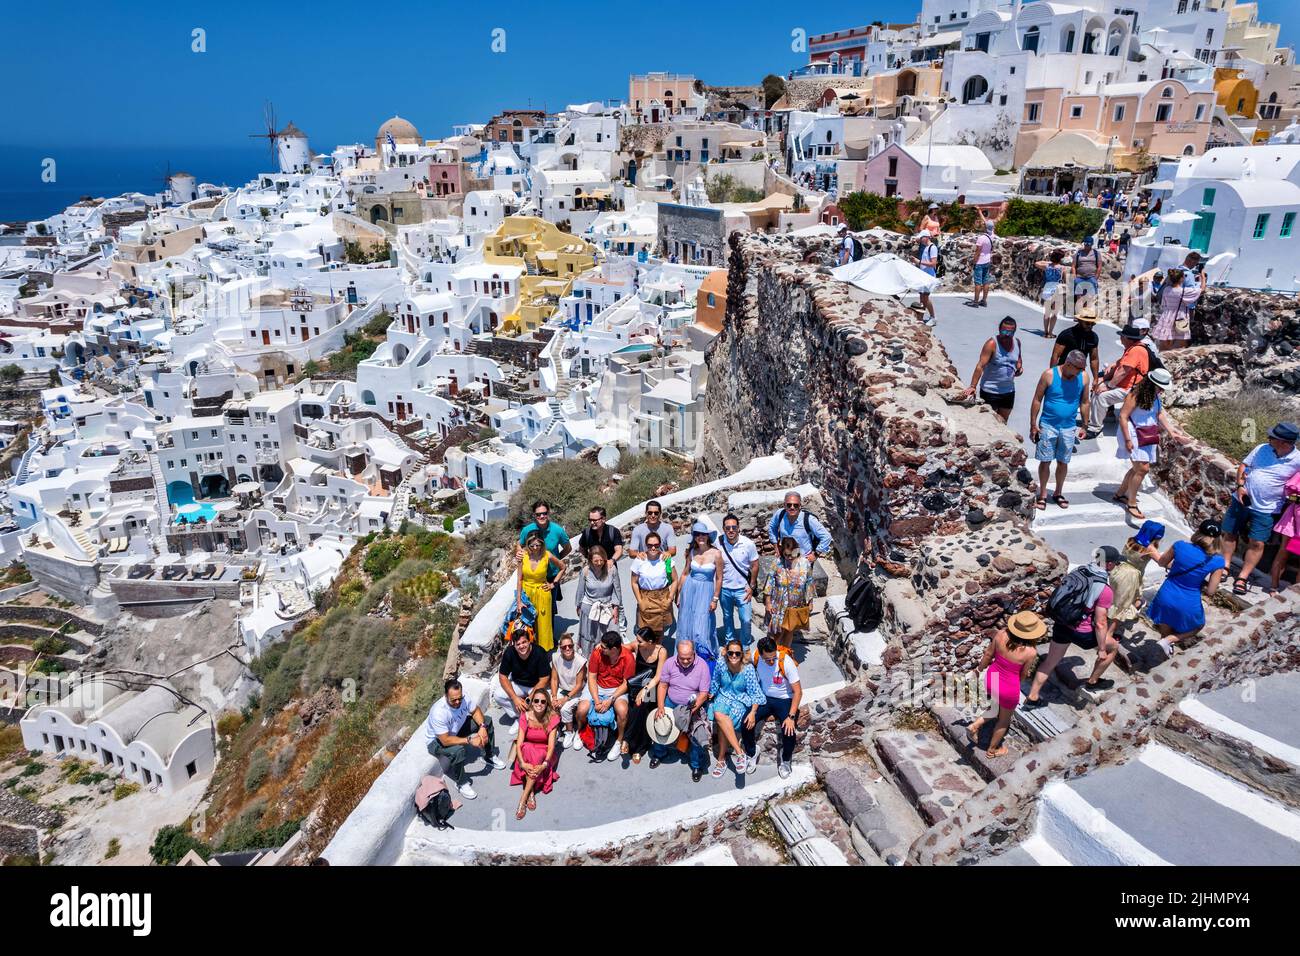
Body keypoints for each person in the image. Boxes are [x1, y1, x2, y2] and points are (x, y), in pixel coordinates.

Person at [1025, 547, 1122, 705]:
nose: (1116, 566)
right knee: (1114, 647)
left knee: (1050, 661)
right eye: (1116, 563)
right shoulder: (1104, 589)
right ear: (1109, 564)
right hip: (1081, 632)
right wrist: (1102, 649)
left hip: (1062, 624)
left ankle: (1033, 696)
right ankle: (1092, 682)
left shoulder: (1079, 570)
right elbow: (1100, 622)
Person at [1221, 422, 1300, 594]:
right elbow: (1244, 466)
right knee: (1230, 532)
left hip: (1268, 508)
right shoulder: (1262, 449)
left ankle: (1242, 577)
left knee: (1257, 542)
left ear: (1284, 443)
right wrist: (1240, 485)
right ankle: (1225, 566)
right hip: (1242, 499)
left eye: (1272, 437)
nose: (1268, 438)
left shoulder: (1297, 460)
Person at [965, 611, 1045, 758]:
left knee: (995, 708)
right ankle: (993, 750)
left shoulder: (1001, 634)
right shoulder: (1031, 652)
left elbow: (988, 655)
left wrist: (978, 670)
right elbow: (1023, 674)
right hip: (1008, 687)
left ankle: (975, 725)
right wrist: (1015, 686)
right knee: (1003, 720)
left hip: (991, 678)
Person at [1147, 520, 1228, 655]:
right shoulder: (1218, 561)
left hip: (1166, 594)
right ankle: (1169, 641)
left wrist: (1152, 550)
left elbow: (1162, 563)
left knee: (1165, 621)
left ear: (1198, 532)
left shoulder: (1179, 546)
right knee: (1198, 625)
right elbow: (1211, 591)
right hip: (1188, 599)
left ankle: (1165, 643)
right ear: (1218, 538)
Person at [1115, 368, 1180, 521]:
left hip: (1146, 434)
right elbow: (1123, 417)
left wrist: (1171, 431)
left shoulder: (1155, 396)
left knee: (1137, 468)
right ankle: (1131, 503)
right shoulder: (1135, 395)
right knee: (1143, 468)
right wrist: (1128, 440)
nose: (1163, 390)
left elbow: (1159, 414)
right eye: (1161, 387)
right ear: (1152, 384)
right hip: (1132, 433)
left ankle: (1120, 494)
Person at [1029, 349, 1090, 511]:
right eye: (1079, 368)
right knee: (1045, 460)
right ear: (1069, 364)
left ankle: (1058, 492)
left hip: (1069, 427)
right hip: (1048, 425)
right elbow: (1037, 399)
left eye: (1083, 368)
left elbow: (1085, 402)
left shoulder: (1083, 377)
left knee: (1063, 462)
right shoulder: (1049, 375)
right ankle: (1042, 494)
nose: (1082, 371)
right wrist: (1033, 424)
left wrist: (1084, 425)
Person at [426, 678, 505, 801]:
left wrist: (482, 727)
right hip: (437, 741)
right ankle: (461, 783)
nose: (458, 702)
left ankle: (488, 756)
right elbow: (445, 740)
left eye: (459, 698)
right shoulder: (439, 712)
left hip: (457, 729)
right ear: (445, 696)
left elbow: (476, 710)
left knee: (487, 721)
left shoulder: (463, 698)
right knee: (458, 751)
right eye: (453, 700)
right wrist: (469, 740)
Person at [741, 635, 803, 778]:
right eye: (767, 659)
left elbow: (798, 692)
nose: (770, 662)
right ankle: (751, 752)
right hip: (764, 698)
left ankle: (786, 759)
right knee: (746, 723)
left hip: (784, 699)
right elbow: (741, 660)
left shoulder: (785, 662)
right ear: (760, 654)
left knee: (789, 732)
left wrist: (791, 717)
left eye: (773, 658)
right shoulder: (757, 656)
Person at [652, 639, 713, 781]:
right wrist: (660, 706)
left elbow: (704, 693)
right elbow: (663, 685)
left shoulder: (702, 666)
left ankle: (696, 764)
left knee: (697, 733)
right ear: (677, 654)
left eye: (688, 658)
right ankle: (659, 753)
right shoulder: (669, 663)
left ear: (694, 653)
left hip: (692, 706)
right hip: (671, 702)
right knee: (661, 724)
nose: (685, 661)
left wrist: (690, 711)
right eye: (682, 658)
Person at [707, 639, 764, 777]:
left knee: (723, 719)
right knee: (719, 713)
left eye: (737, 654)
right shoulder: (721, 663)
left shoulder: (748, 669)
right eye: (730, 653)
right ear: (726, 653)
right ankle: (740, 753)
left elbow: (756, 693)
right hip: (723, 695)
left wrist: (753, 712)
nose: (733, 656)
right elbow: (715, 681)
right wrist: (711, 693)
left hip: (740, 700)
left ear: (742, 655)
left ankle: (721, 760)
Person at [577, 630, 633, 760]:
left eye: (603, 647)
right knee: (581, 710)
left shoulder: (628, 657)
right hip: (598, 685)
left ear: (613, 649)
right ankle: (581, 731)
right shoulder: (597, 653)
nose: (599, 648)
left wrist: (611, 699)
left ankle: (618, 740)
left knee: (623, 711)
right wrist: (596, 701)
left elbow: (626, 683)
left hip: (617, 689)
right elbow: (591, 677)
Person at [1087, 324, 1150, 437]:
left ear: (1128, 339)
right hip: (1125, 386)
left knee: (1101, 395)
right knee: (1098, 386)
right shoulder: (1132, 348)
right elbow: (1118, 366)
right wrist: (1103, 379)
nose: (1120, 338)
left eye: (1122, 336)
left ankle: (1095, 429)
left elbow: (1123, 372)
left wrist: (1109, 386)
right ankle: (1106, 416)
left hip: (1132, 389)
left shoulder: (1136, 350)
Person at [676, 520, 724, 663]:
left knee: (701, 627)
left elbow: (719, 578)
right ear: (694, 537)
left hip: (706, 591)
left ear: (708, 536)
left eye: (703, 534)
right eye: (697, 534)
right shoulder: (692, 552)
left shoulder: (716, 554)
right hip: (689, 589)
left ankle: (703, 661)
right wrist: (678, 594)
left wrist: (715, 599)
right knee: (686, 623)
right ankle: (685, 658)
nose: (700, 537)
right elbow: (685, 573)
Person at [960, 316, 1023, 424]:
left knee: (1003, 421)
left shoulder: (1017, 342)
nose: (1006, 335)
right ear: (999, 330)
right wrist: (973, 386)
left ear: (1014, 332)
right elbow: (980, 366)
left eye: (1010, 332)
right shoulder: (992, 344)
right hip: (990, 391)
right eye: (1004, 331)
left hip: (1009, 391)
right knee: (990, 422)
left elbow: (1018, 358)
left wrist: (1019, 367)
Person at [510, 688, 560, 820]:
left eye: (543, 701)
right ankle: (530, 792)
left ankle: (523, 798)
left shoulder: (552, 718)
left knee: (536, 755)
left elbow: (551, 747)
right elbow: (520, 743)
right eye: (536, 700)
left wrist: (544, 765)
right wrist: (522, 763)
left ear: (547, 704)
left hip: (544, 754)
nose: (539, 704)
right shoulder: (525, 716)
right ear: (532, 702)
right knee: (527, 749)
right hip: (526, 751)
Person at [517, 499, 571, 617]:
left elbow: (568, 548)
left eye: (544, 513)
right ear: (534, 515)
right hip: (532, 577)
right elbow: (519, 544)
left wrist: (555, 559)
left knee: (549, 609)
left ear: (548, 513)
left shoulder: (557, 530)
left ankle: (550, 634)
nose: (542, 516)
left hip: (550, 576)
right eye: (538, 514)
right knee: (531, 609)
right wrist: (519, 553)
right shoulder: (527, 530)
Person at [621, 626, 667, 763]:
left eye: (640, 641)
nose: (637, 643)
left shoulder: (661, 652)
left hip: (652, 685)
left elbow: (658, 676)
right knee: (637, 708)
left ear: (651, 641)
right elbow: (622, 647)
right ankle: (637, 748)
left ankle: (629, 742)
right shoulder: (637, 646)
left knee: (641, 705)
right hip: (638, 683)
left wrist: (645, 690)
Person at [767, 492, 833, 588]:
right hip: (785, 558)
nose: (792, 507)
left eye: (795, 505)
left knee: (800, 589)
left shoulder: (808, 520)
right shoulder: (780, 514)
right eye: (789, 505)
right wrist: (776, 546)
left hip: (803, 561)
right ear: (784, 505)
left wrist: (816, 554)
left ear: (800, 506)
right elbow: (772, 527)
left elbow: (826, 537)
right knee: (783, 586)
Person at [1108, 521, 1165, 629]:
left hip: (1118, 571)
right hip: (1130, 578)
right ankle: (1109, 633)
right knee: (1120, 608)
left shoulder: (1131, 540)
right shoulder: (1150, 548)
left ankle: (1137, 605)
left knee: (1115, 599)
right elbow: (1162, 562)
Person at [517, 529, 565, 652]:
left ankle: (542, 654)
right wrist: (518, 602)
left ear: (542, 544)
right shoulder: (523, 555)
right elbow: (519, 579)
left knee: (543, 627)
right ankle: (529, 653)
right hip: (527, 595)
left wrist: (553, 584)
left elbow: (562, 567)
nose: (535, 548)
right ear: (527, 544)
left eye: (538, 545)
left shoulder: (547, 555)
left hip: (543, 594)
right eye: (532, 545)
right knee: (528, 626)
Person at [718, 513, 760, 648]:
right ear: (723, 528)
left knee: (746, 619)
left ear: (738, 528)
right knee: (727, 617)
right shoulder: (717, 543)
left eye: (734, 527)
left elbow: (755, 565)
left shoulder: (748, 544)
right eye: (728, 527)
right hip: (724, 588)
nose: (731, 530)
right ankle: (730, 642)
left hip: (743, 589)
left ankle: (745, 645)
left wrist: (752, 585)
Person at [494, 627, 552, 722]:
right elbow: (502, 677)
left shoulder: (539, 652)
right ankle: (520, 718)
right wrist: (515, 698)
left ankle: (536, 718)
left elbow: (545, 678)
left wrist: (531, 697)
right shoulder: (509, 652)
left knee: (547, 701)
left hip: (537, 685)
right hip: (519, 684)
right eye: (518, 644)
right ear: (514, 645)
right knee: (498, 695)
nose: (521, 646)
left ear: (529, 641)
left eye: (524, 642)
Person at [574, 544, 622, 657]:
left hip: (607, 606)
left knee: (613, 633)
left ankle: (614, 659)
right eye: (596, 561)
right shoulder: (585, 571)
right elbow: (580, 590)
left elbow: (617, 589)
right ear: (590, 560)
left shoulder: (611, 569)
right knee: (592, 637)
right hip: (590, 608)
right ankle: (592, 660)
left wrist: (616, 608)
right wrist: (578, 606)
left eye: (601, 560)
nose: (599, 563)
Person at [764, 536, 812, 647]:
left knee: (789, 630)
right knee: (775, 632)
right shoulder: (777, 562)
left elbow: (809, 583)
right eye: (786, 555)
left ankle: (785, 656)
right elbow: (769, 582)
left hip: (795, 604)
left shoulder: (805, 563)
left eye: (791, 555)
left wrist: (810, 602)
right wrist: (768, 603)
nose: (789, 558)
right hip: (778, 604)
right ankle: (771, 655)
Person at [630, 532, 675, 633]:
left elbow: (675, 580)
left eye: (656, 545)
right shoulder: (640, 560)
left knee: (660, 631)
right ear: (646, 545)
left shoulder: (666, 559)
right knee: (645, 633)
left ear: (660, 544)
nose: (653, 548)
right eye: (650, 545)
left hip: (663, 598)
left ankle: (659, 648)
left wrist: (670, 598)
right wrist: (640, 601)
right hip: (646, 598)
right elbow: (634, 582)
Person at [1152, 266, 1205, 351]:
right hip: (1180, 317)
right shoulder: (1183, 291)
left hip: (1166, 317)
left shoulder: (1166, 289)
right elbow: (1201, 290)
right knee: (1180, 345)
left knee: (1164, 344)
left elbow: (1163, 304)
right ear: (1181, 279)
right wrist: (1203, 277)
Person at [550, 633, 587, 750]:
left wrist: (564, 699)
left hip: (576, 691)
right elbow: (554, 679)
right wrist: (555, 696)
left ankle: (570, 732)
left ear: (573, 646)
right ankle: (556, 729)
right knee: (550, 703)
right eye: (564, 647)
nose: (567, 649)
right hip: (562, 688)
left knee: (565, 708)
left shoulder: (580, 661)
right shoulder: (555, 658)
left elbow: (579, 685)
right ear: (560, 648)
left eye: (570, 646)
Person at [1050, 305, 1101, 382]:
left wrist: (1096, 379)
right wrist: (1052, 375)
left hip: (1079, 374)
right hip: (1063, 372)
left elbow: (1094, 359)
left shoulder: (1093, 337)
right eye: (1087, 323)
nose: (1090, 326)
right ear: (1079, 321)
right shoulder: (1067, 334)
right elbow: (1055, 356)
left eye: (1092, 324)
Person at [1269, 469, 1300, 591]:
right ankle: (1273, 587)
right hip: (1293, 518)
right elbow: (1290, 495)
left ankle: (1297, 594)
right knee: (1283, 551)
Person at [1035, 249, 1069, 339]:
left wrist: (1050, 261)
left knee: (1047, 313)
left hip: (1047, 288)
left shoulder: (1047, 266)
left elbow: (1037, 263)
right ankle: (1050, 333)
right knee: (1054, 313)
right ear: (1060, 258)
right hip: (1057, 290)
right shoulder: (1062, 268)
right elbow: (1065, 280)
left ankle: (1045, 332)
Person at [967, 220, 995, 308]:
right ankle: (984, 301)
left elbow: (978, 252)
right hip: (987, 261)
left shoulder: (981, 238)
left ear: (985, 227)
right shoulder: (992, 235)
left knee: (978, 283)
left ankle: (975, 302)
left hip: (979, 262)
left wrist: (973, 262)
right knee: (986, 281)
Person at [912, 234, 938, 326]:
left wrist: (918, 261)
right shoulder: (926, 247)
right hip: (924, 276)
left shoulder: (932, 248)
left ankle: (933, 317)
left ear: (927, 237)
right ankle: (920, 318)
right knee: (922, 297)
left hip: (929, 277)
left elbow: (933, 263)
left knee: (925, 298)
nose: (921, 240)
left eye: (922, 238)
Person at [1072, 235, 1102, 306]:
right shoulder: (1078, 253)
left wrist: (1096, 277)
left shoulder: (1096, 253)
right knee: (1079, 297)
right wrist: (1074, 277)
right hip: (1079, 277)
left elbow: (1099, 266)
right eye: (1085, 243)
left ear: (1092, 244)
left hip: (1091, 277)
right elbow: (1073, 266)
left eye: (1088, 243)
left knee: (1090, 297)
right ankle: (1079, 312)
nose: (1087, 245)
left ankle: (1087, 313)